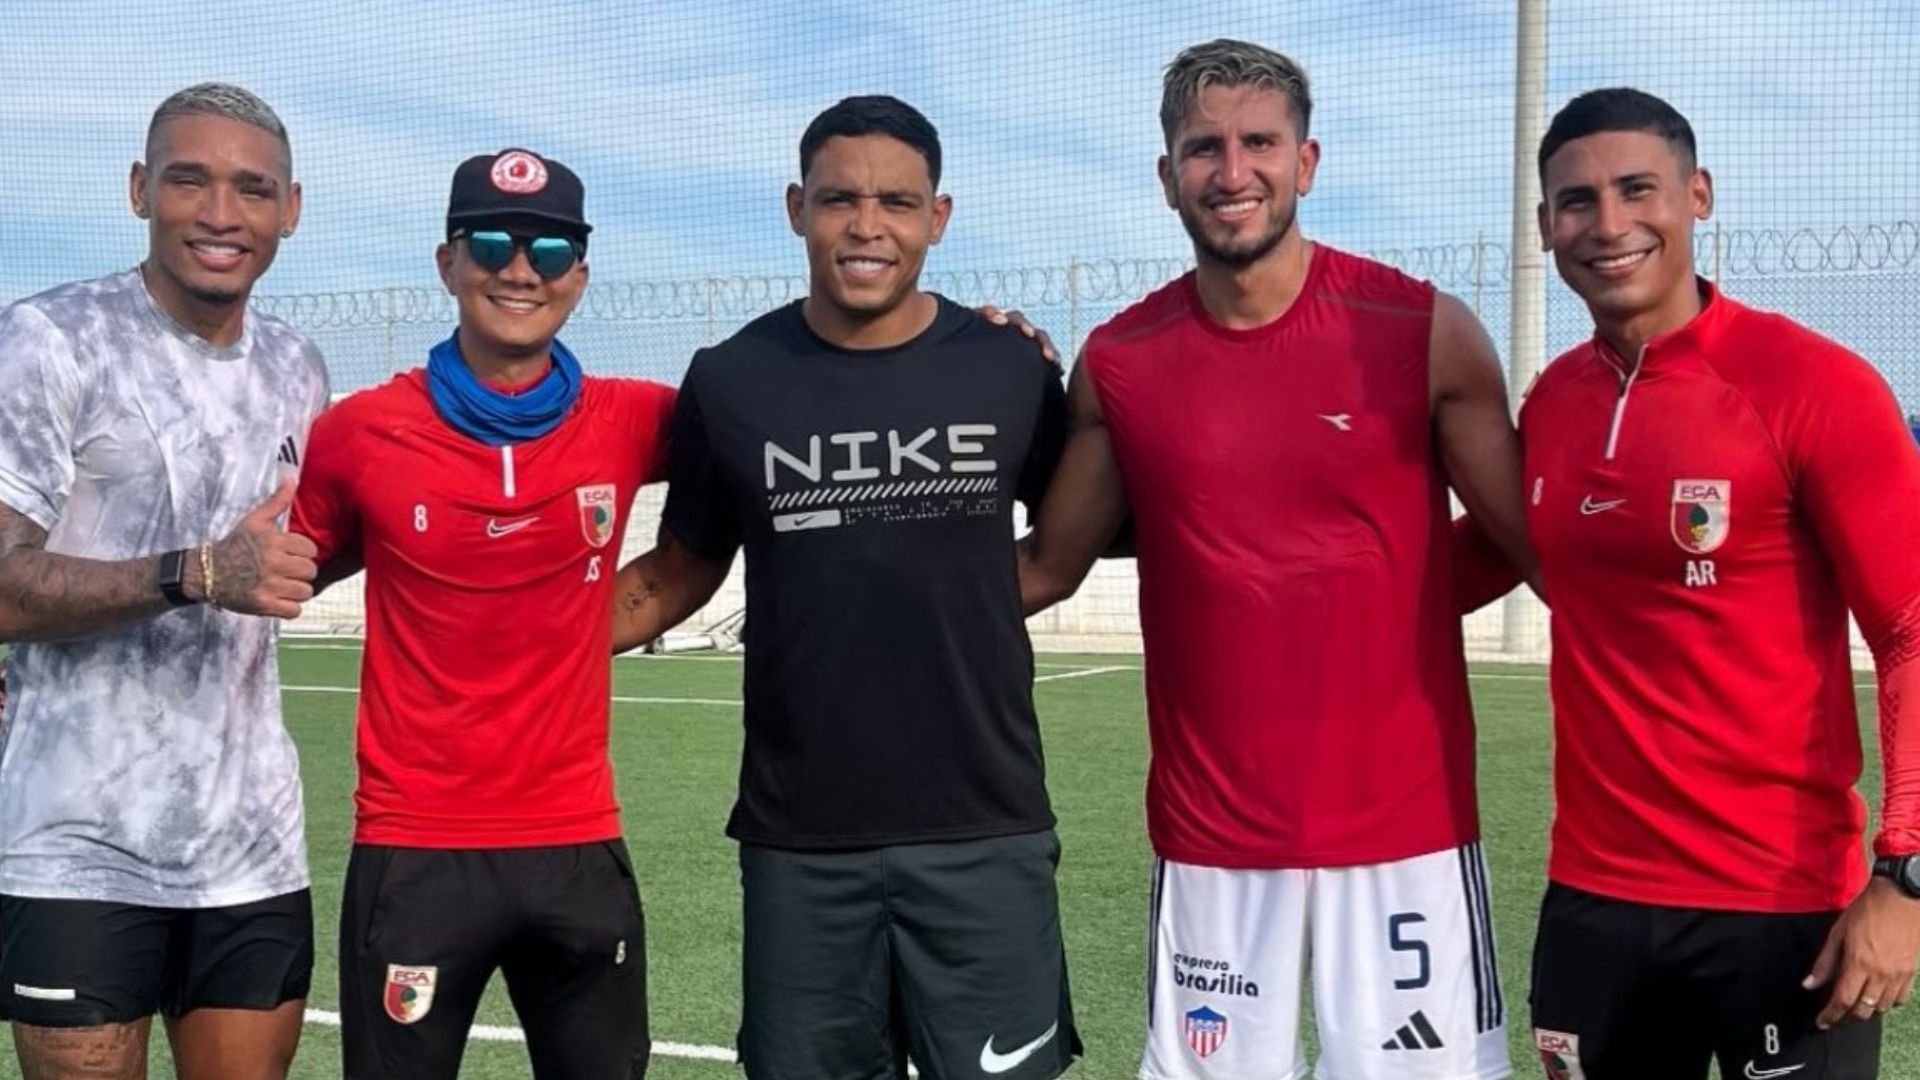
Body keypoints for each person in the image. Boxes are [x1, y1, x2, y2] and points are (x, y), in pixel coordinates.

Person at [1018, 39, 1536, 1080]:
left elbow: (1527, 543)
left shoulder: (1424, 330)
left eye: (1260, 141)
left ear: (1307, 162)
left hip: (1406, 830)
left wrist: (1400, 596)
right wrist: (857, 587)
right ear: (1167, 175)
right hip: (1214, 837)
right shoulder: (1120, 360)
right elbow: (1051, 565)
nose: (1232, 170)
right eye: (1203, 147)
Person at [608, 95, 1079, 1080]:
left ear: (937, 217)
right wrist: (515, 633)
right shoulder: (733, 378)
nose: (868, 226)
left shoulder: (1005, 367)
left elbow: (1079, 538)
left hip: (983, 830)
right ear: (796, 206)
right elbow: (682, 568)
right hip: (802, 844)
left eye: (897, 202)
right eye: (840, 200)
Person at [1456, 87, 1920, 1080]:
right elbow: (1457, 565)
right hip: (1594, 900)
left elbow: (1912, 629)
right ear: (1545, 226)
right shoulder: (1556, 403)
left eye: (1638, 190)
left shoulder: (1810, 385)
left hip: (1784, 908)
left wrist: (1906, 875)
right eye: (1577, 202)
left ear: (1697, 196)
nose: (1609, 224)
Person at [290, 149, 671, 1079]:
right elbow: (282, 567)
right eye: (493, 241)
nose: (519, 268)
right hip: (414, 848)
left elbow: (781, 421)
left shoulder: (635, 417)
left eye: (548, 247)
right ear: (448, 261)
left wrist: (978, 343)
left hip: (576, 841)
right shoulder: (361, 431)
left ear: (580, 272)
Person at [0, 83, 326, 1079]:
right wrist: (192, 573)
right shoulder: (50, 340)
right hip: (77, 847)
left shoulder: (299, 367)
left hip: (250, 850)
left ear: (290, 210)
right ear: (141, 189)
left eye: (252, 189)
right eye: (190, 180)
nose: (222, 213)